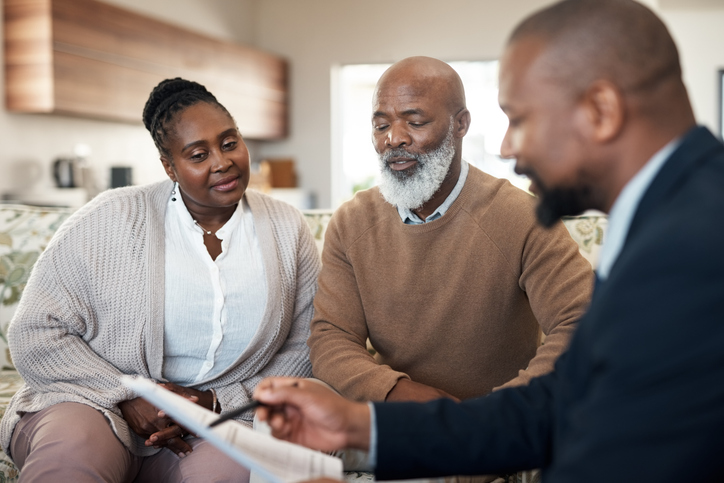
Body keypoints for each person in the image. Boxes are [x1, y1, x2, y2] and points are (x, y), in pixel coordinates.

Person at [252, 1, 724, 481]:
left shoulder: (694, 245)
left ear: (601, 110)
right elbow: (563, 399)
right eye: (381, 123)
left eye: (520, 119)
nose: (505, 148)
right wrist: (366, 426)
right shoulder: (663, 218)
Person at [0, 78, 321, 482]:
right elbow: (35, 332)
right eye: (198, 154)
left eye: (229, 142)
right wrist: (127, 394)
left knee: (225, 472)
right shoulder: (108, 219)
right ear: (169, 166)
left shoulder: (287, 228)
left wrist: (215, 401)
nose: (222, 162)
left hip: (214, 422)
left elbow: (304, 345)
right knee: (71, 461)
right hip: (91, 404)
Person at [309, 56, 593, 404]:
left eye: (414, 122)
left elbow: (582, 323)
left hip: (498, 428)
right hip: (398, 417)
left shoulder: (522, 217)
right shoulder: (351, 222)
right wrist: (404, 395)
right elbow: (331, 338)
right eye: (381, 126)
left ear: (460, 124)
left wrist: (498, 414)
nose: (394, 139)